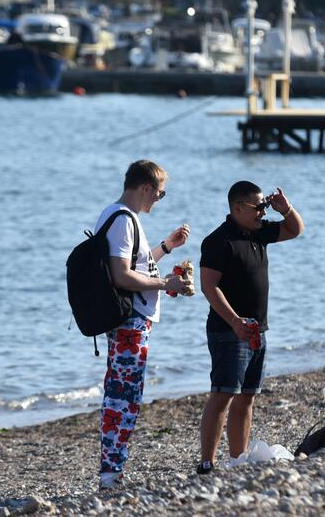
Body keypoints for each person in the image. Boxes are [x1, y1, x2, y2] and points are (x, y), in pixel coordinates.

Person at [196, 181, 304, 474]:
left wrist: (286, 208)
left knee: (248, 396)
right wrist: (234, 321)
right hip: (228, 330)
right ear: (238, 208)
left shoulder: (260, 232)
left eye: (264, 207)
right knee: (223, 394)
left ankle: (238, 460)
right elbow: (209, 286)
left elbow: (295, 230)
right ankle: (207, 462)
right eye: (258, 207)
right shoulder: (218, 241)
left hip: (258, 329)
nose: (262, 212)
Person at [96, 160, 191, 490]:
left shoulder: (115, 215)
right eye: (160, 194)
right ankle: (110, 475)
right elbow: (122, 275)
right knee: (123, 397)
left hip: (126, 320)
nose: (158, 199)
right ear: (146, 188)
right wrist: (166, 286)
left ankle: (113, 471)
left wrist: (166, 247)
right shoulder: (123, 220)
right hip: (129, 322)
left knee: (123, 393)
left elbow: (135, 264)